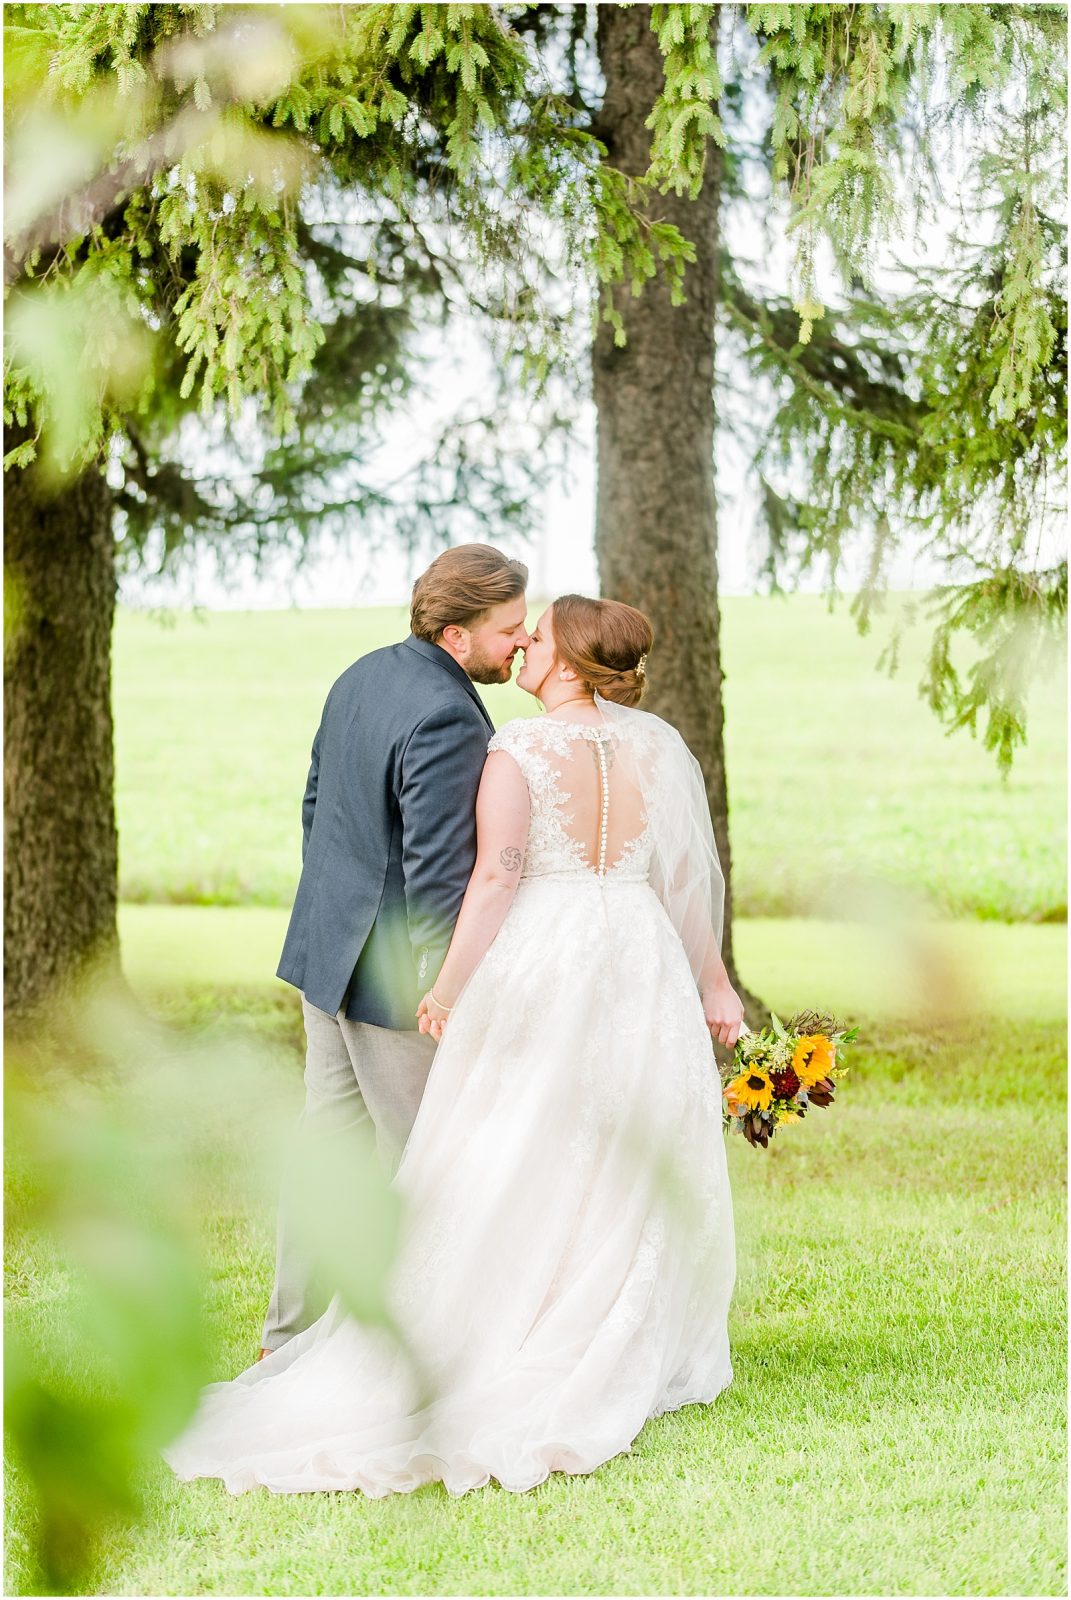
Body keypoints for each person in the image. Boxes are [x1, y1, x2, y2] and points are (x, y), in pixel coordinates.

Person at [165, 593, 744, 1497]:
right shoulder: (657, 748)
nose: (523, 644)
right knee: (615, 1147)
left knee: (507, 1140)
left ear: (567, 662)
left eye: (537, 636)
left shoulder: (517, 750)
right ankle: (595, 1324)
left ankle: (492, 1319)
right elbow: (680, 883)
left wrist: (448, 983)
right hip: (638, 962)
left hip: (547, 960)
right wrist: (712, 984)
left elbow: (495, 880)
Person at [261, 544, 530, 1356]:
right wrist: (443, 990)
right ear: (456, 634)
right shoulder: (448, 713)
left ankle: (285, 1338)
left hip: (323, 956)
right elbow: (437, 874)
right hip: (390, 987)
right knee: (426, 1161)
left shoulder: (363, 673)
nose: (520, 644)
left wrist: (333, 915)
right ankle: (422, 1355)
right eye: (508, 630)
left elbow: (316, 805)